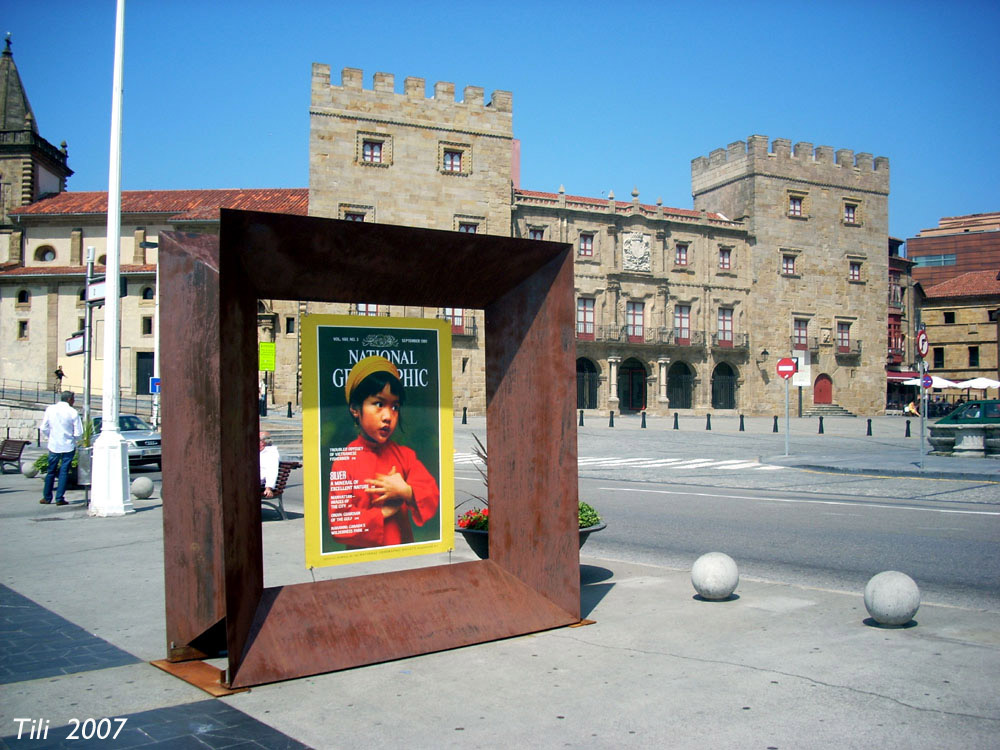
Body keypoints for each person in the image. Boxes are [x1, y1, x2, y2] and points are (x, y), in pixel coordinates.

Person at [327, 356, 439, 548]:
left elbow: (432, 494)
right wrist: (382, 513)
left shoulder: (405, 456)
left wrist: (407, 491)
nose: (388, 416)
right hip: (362, 561)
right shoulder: (345, 461)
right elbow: (339, 523)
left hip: (402, 555)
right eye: (379, 404)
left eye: (394, 407)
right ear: (355, 408)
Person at [39, 390, 83, 506]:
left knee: (51, 471)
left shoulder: (50, 409)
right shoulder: (72, 412)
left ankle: (47, 497)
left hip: (54, 444)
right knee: (64, 471)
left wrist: (51, 436)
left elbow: (43, 427)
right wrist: (75, 439)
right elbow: (79, 432)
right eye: (73, 399)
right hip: (68, 445)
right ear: (69, 399)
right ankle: (59, 498)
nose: (74, 401)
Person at [259, 431, 280, 498]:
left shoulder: (271, 453)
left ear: (262, 442)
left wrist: (268, 488)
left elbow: (272, 470)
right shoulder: (259, 452)